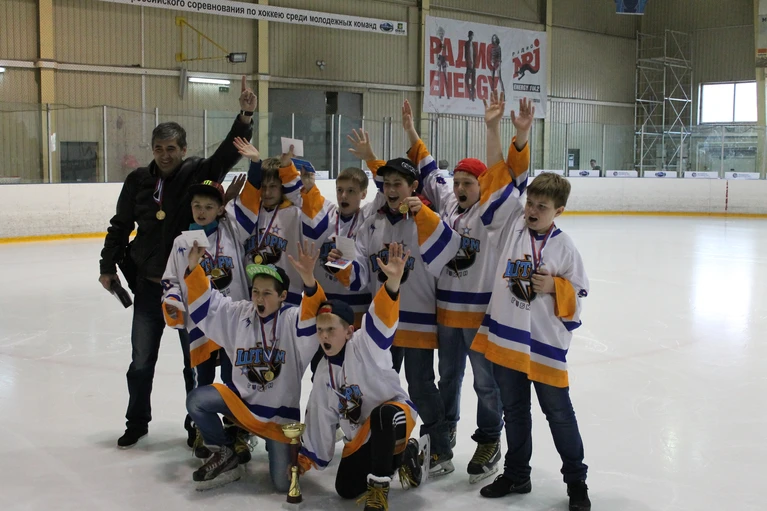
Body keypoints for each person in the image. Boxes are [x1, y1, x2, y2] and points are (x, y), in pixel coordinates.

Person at [98, 76, 255, 449]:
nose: (164, 155)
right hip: (148, 287)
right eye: (158, 149)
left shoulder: (196, 172)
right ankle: (137, 421)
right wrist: (107, 266)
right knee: (141, 362)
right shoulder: (137, 181)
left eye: (171, 148)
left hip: (189, 291)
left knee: (194, 363)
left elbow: (225, 155)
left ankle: (195, 425)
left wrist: (245, 116)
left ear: (183, 149)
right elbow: (120, 225)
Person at [403, 93, 532, 484]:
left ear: (482, 185)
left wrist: (505, 131)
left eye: (468, 183)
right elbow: (429, 171)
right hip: (446, 312)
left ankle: (490, 439)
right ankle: (446, 433)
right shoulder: (448, 205)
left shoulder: (494, 213)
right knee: (448, 378)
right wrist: (411, 131)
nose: (459, 187)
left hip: (479, 315)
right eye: (457, 182)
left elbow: (509, 176)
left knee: (485, 383)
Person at [472, 93, 591, 510]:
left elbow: (580, 296)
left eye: (542, 206)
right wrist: (498, 130)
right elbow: (497, 179)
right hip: (507, 340)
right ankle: (517, 474)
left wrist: (554, 286)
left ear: (559, 210)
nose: (533, 211)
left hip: (543, 346)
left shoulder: (564, 248)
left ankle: (576, 482)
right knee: (515, 411)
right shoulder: (512, 226)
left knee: (559, 414)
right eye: (531, 203)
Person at [331, 141, 461, 477]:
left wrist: (424, 214)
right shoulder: (374, 220)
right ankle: (382, 444)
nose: (391, 189)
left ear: (413, 186)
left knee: (420, 386)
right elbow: (361, 265)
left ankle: (440, 447)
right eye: (386, 183)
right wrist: (342, 265)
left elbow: (450, 250)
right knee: (379, 385)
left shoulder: (425, 217)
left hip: (417, 320)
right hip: (382, 321)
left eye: (398, 184)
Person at [182, 240, 325, 491]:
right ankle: (224, 452)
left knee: (283, 484)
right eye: (256, 291)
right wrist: (194, 269)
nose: (259, 298)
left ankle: (287, 447)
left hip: (278, 418)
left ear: (282, 296)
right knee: (197, 400)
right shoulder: (240, 314)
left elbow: (312, 314)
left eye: (267, 293)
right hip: (242, 406)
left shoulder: (292, 320)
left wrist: (309, 281)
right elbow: (210, 306)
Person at [297, 242, 425, 510]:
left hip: (395, 417)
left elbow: (382, 318)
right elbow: (320, 415)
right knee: (346, 489)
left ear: (349, 331)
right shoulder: (323, 373)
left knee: (382, 415)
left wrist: (392, 283)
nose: (324, 336)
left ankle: (379, 489)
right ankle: (405, 456)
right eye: (320, 330)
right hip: (362, 436)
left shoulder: (366, 345)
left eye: (331, 330)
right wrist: (305, 460)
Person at [160, 179, 252, 461]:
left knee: (233, 378)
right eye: (197, 206)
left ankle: (237, 429)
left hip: (232, 321)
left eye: (209, 206)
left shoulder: (232, 231)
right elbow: (171, 280)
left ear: (220, 209)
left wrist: (233, 202)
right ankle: (204, 428)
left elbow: (247, 212)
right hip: (199, 324)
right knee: (202, 379)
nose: (202, 211)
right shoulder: (181, 243)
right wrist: (173, 301)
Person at [230, 138, 306, 306]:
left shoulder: (295, 213)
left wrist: (287, 166)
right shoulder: (249, 213)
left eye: (273, 186)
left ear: (282, 187)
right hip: (253, 294)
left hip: (287, 296)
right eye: (263, 187)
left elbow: (304, 199)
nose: (267, 192)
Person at [465, 31, 477, 101]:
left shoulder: (474, 45)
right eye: (470, 36)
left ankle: (472, 95)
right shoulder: (466, 44)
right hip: (469, 66)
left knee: (473, 82)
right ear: (469, 36)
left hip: (473, 66)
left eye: (472, 36)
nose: (471, 37)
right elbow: (466, 55)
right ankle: (469, 93)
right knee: (466, 79)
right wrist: (468, 63)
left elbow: (475, 55)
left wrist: (474, 64)